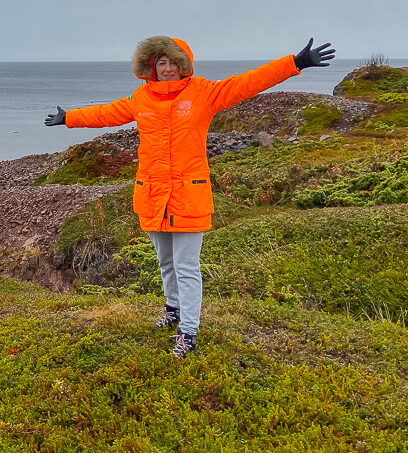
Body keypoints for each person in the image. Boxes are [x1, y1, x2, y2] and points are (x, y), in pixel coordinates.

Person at [44, 36, 335, 358]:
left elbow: (249, 82)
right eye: (161, 63)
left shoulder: (204, 93)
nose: (167, 69)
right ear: (150, 67)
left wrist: (295, 63)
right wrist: (69, 117)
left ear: (183, 64)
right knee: (165, 262)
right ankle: (173, 311)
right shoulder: (141, 97)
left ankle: (189, 332)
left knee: (186, 266)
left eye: (172, 62)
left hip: (187, 195)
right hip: (153, 194)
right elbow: (107, 113)